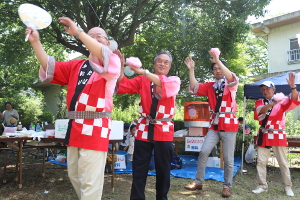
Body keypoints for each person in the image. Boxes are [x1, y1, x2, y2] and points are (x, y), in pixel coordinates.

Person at [26, 17, 120, 199]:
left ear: (107, 43)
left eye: (98, 36)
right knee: (75, 175)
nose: (93, 38)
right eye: (90, 36)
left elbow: (105, 57)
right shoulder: (77, 65)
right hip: (75, 126)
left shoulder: (112, 62)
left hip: (96, 126)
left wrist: (79, 33)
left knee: (90, 181)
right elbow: (49, 67)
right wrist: (36, 42)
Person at [116, 50, 181, 200]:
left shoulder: (174, 80)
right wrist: (119, 66)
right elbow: (123, 84)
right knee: (139, 169)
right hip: (143, 127)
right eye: (160, 61)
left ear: (170, 66)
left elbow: (163, 84)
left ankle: (161, 198)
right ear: (154, 64)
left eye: (166, 62)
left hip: (164, 129)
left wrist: (143, 72)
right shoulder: (142, 80)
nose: (162, 64)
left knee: (163, 170)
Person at [184, 51, 239, 198]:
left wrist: (218, 60)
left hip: (229, 123)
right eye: (214, 69)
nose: (218, 70)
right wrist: (191, 70)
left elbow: (231, 77)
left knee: (228, 159)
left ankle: (227, 186)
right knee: (203, 152)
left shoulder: (231, 84)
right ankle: (198, 181)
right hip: (214, 124)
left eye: (220, 67)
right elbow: (194, 87)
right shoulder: (210, 86)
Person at [252, 75, 300, 197]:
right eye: (263, 89)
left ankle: (288, 187)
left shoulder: (282, 101)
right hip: (264, 133)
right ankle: (262, 185)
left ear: (274, 90)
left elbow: (294, 101)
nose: (265, 91)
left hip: (278, 134)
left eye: (267, 88)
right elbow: (260, 112)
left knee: (283, 163)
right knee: (261, 162)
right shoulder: (259, 101)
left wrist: (293, 87)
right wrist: (273, 103)